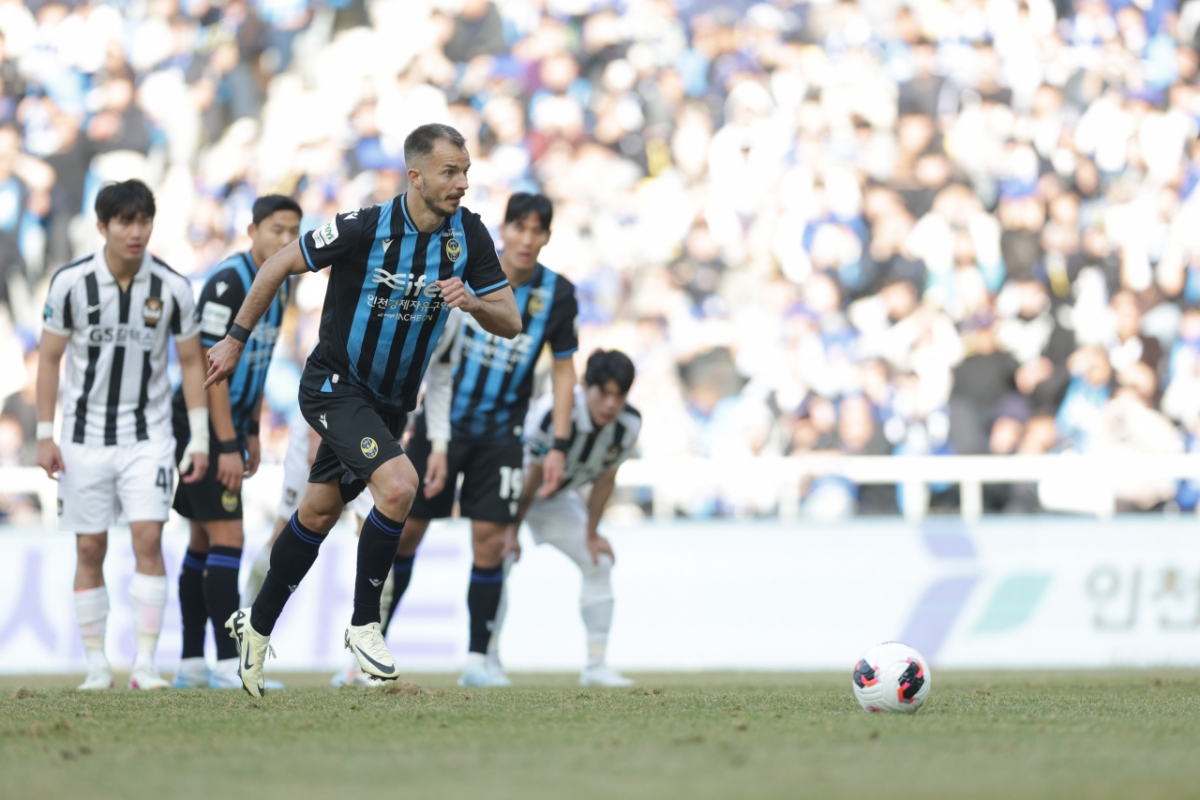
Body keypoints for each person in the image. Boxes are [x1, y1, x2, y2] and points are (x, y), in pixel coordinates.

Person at [204, 123, 520, 697]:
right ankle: (364, 624)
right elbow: (276, 265)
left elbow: (511, 319)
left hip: (389, 404)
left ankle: (256, 625)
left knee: (318, 513)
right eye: (450, 172)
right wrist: (234, 338)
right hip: (334, 385)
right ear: (415, 176)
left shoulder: (468, 235)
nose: (462, 183)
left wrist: (473, 303)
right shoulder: (363, 226)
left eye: (466, 172)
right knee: (400, 486)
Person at [389, 192, 579, 687]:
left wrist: (559, 444)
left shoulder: (558, 294)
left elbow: (564, 372)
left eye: (537, 231)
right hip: (440, 428)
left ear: (547, 237)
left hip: (501, 435)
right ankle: (368, 650)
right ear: (505, 229)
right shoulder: (466, 269)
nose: (527, 239)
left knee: (492, 543)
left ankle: (478, 661)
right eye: (520, 227)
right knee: (404, 533)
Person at [36, 179, 208, 691]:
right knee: (90, 547)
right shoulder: (71, 283)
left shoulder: (172, 286)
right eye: (124, 222)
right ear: (102, 226)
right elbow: (49, 359)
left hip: (148, 436)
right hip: (83, 437)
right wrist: (45, 434)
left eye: (143, 221)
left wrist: (198, 437)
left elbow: (192, 362)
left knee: (148, 538)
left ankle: (145, 665)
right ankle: (96, 665)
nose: (136, 232)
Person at [240, 311, 459, 688]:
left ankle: (360, 662)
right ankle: (249, 627)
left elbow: (440, 378)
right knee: (304, 520)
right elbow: (329, 345)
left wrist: (439, 444)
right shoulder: (384, 282)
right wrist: (316, 430)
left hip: (382, 425)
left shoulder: (452, 312)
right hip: (328, 414)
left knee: (387, 504)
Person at [171, 195, 301, 690]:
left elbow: (258, 360)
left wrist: (250, 429)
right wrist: (225, 443)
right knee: (229, 538)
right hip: (199, 426)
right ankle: (228, 663)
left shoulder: (282, 284)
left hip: (229, 426)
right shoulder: (228, 282)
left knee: (203, 541)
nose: (285, 240)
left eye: (293, 231)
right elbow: (212, 369)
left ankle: (190, 663)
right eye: (276, 229)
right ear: (252, 232)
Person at [501, 349, 641, 687]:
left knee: (599, 562)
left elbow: (606, 478)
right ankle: (486, 660)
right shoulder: (553, 412)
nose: (610, 404)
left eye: (619, 395)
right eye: (603, 393)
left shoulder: (629, 424)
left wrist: (593, 532)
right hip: (509, 492)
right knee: (496, 561)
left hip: (556, 499)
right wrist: (511, 531)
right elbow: (531, 475)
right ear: (585, 386)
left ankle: (596, 667)